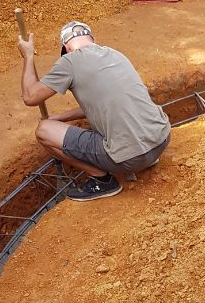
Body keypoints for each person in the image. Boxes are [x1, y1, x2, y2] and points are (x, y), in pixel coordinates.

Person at [17, 21, 171, 203]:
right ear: (93, 39)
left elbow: (30, 97)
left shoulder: (69, 61)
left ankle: (102, 180)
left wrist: (28, 56)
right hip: (161, 141)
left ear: (66, 48)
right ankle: (145, 159)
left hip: (132, 158)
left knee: (44, 130)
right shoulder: (115, 54)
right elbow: (105, 102)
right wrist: (60, 117)